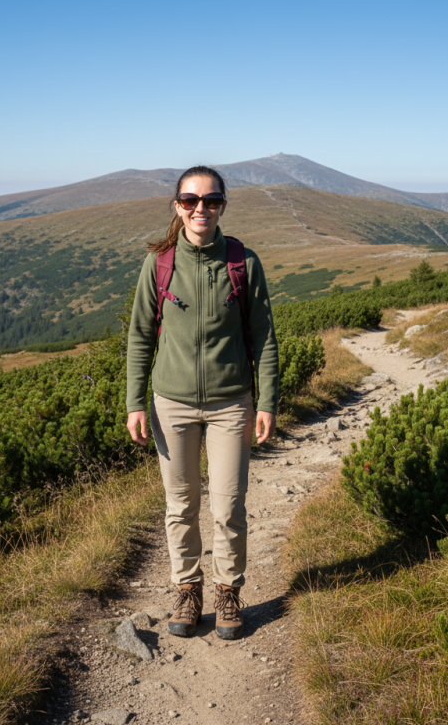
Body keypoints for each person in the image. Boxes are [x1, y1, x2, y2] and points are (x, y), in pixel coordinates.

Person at [126, 165, 279, 640]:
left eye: (211, 201)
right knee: (180, 505)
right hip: (170, 404)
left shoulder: (243, 262)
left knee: (228, 506)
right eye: (191, 200)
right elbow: (140, 336)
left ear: (222, 206)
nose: (200, 209)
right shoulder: (159, 264)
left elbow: (264, 337)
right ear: (177, 206)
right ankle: (187, 590)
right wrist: (134, 402)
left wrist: (267, 402)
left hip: (232, 404)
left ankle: (228, 592)